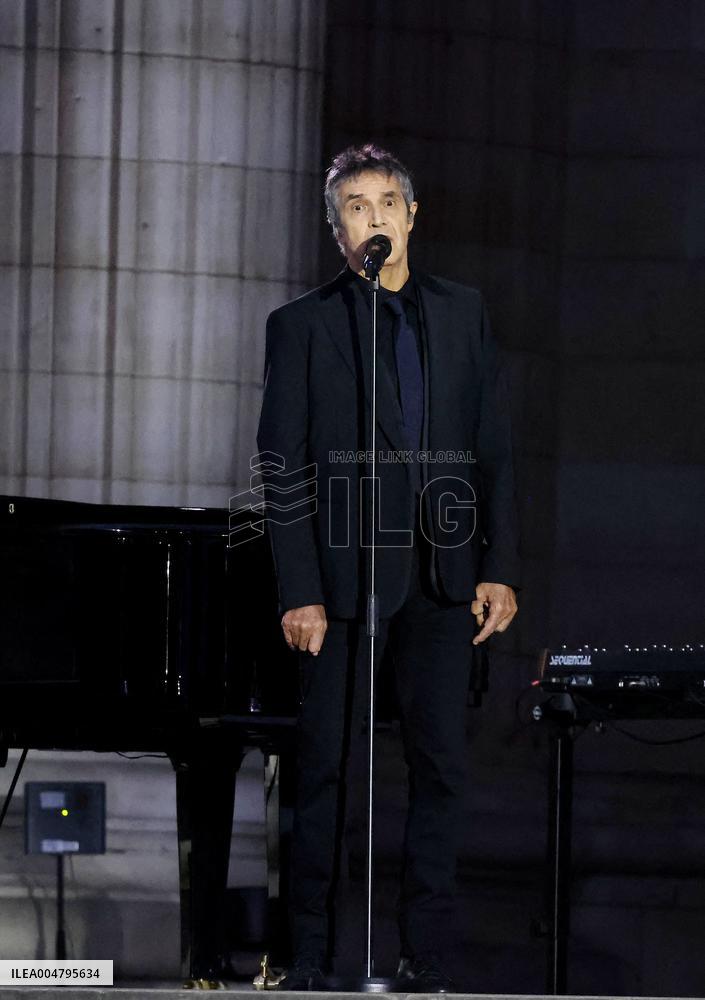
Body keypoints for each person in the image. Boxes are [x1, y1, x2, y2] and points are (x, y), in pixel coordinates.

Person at [256, 144, 520, 992]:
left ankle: (425, 955)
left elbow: (490, 450)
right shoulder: (303, 324)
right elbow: (282, 461)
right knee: (327, 769)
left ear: (411, 215)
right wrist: (299, 588)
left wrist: (497, 566)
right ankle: (306, 954)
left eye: (385, 203)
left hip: (443, 580)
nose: (374, 219)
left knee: (440, 767)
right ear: (337, 232)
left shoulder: (460, 312)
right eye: (355, 208)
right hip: (341, 584)